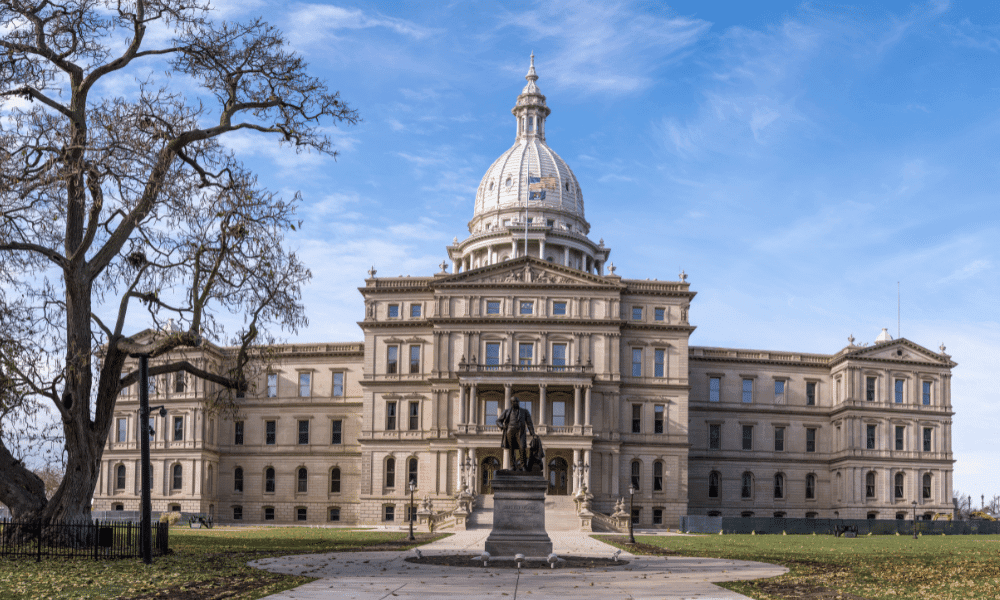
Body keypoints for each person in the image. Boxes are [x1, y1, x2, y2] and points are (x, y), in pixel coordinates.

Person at [497, 396, 536, 471]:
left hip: (520, 432)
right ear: (511, 403)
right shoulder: (507, 411)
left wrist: (532, 432)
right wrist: (502, 426)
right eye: (514, 402)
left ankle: (523, 465)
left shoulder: (524, 411)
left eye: (517, 401)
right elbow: (498, 421)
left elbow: (529, 423)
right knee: (511, 449)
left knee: (522, 448)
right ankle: (513, 466)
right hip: (510, 431)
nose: (516, 403)